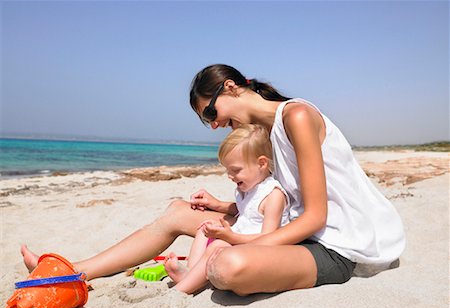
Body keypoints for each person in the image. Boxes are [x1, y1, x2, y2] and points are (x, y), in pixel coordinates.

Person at [22, 64, 405, 296]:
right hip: (294, 231)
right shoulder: (266, 133)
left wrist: (239, 240)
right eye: (207, 121)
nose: (215, 124)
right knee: (178, 211)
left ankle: (208, 265)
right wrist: (224, 209)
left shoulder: (297, 117)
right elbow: (285, 198)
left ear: (231, 87)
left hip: (335, 247)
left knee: (226, 266)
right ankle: (75, 270)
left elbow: (315, 216)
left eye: (211, 112)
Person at [164, 124, 290, 294]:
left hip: (258, 248)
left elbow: (269, 238)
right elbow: (245, 210)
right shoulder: (249, 187)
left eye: (235, 170)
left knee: (218, 244)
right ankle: (192, 272)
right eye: (227, 170)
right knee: (205, 227)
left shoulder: (273, 196)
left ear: (261, 163)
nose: (230, 176)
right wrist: (215, 206)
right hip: (240, 237)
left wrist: (231, 236)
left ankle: (180, 290)